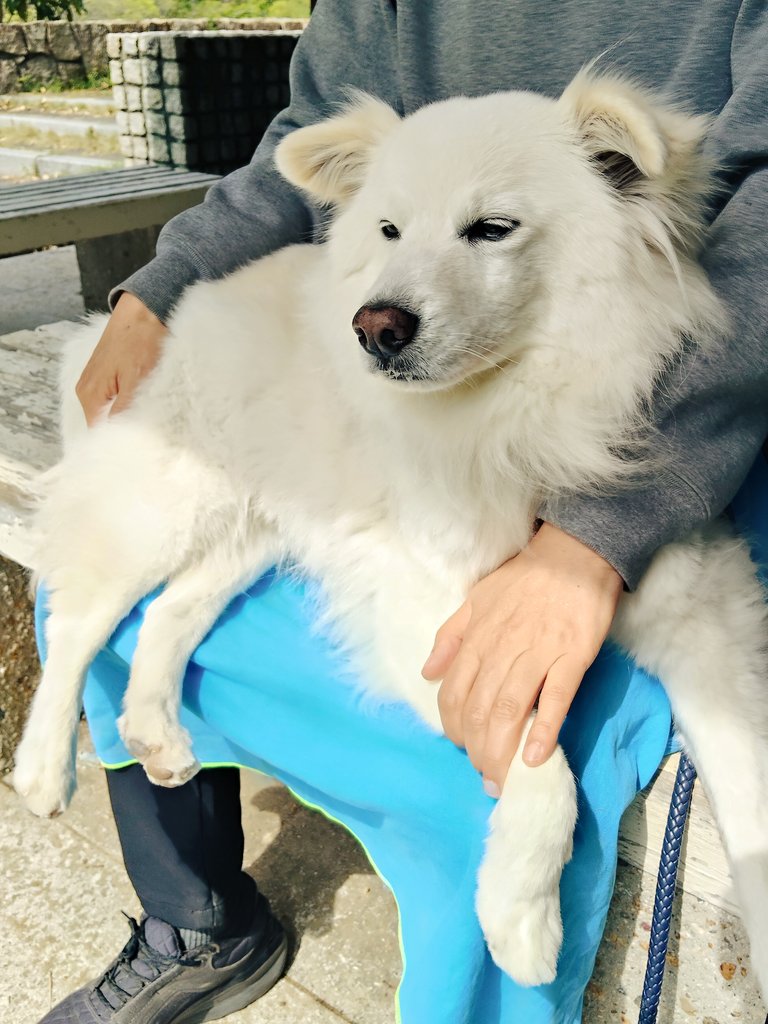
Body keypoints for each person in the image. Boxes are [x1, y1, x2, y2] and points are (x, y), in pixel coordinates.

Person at [41, 1, 768, 1021]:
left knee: (504, 743)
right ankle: (193, 912)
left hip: (703, 397)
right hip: (444, 422)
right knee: (103, 580)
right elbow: (309, 147)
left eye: (491, 226)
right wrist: (159, 288)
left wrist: (597, 537)